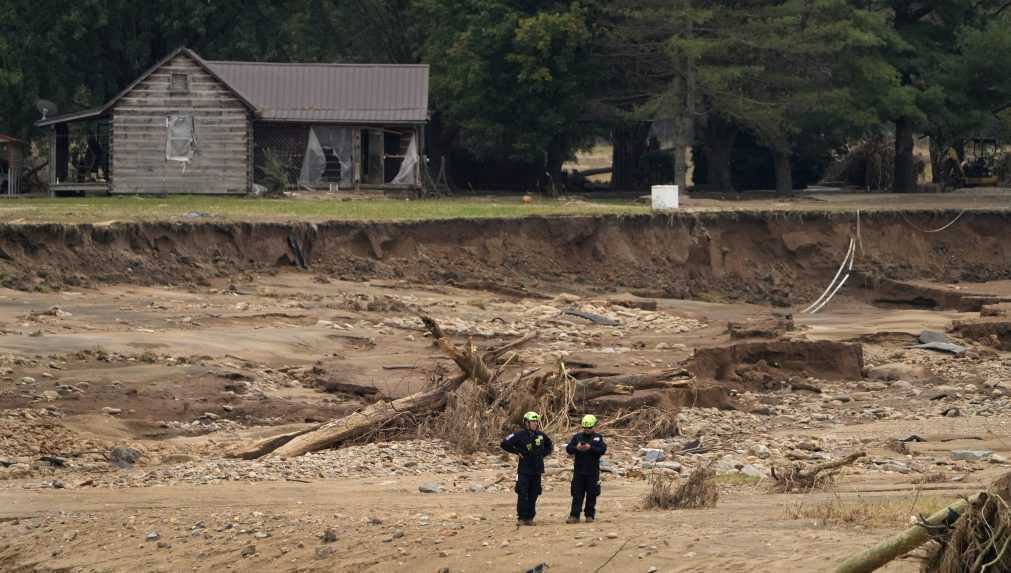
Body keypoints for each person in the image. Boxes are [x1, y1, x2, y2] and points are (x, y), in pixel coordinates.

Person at [500, 411, 553, 525]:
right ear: (526, 423)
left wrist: (542, 454)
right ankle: (521, 518)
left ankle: (530, 518)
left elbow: (550, 445)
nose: (535, 424)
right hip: (524, 470)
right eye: (532, 421)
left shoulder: (541, 435)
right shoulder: (519, 435)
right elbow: (504, 443)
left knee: (534, 494)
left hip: (537, 470)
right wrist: (516, 451)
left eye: (536, 422)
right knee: (522, 493)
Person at [565, 414, 607, 523]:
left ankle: (590, 515)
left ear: (593, 426)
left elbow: (602, 450)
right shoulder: (577, 437)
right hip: (579, 471)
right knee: (577, 494)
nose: (587, 430)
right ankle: (574, 516)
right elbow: (569, 449)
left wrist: (590, 447)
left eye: (589, 428)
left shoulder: (598, 437)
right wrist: (576, 448)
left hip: (593, 472)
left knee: (592, 494)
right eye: (585, 428)